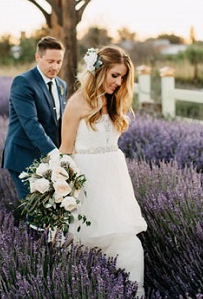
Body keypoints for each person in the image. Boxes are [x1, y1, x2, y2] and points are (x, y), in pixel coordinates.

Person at [59, 45, 147, 297]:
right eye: (114, 75)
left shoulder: (114, 101)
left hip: (115, 182)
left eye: (122, 77)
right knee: (85, 242)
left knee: (128, 243)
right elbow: (65, 150)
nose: (119, 83)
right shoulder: (76, 104)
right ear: (99, 71)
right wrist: (61, 191)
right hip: (88, 181)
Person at [2, 36, 67, 201]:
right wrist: (54, 154)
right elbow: (30, 123)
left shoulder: (61, 85)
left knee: (53, 211)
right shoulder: (23, 82)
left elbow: (60, 123)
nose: (55, 66)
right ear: (38, 57)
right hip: (24, 156)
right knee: (36, 212)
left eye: (59, 62)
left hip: (50, 159)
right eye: (50, 61)